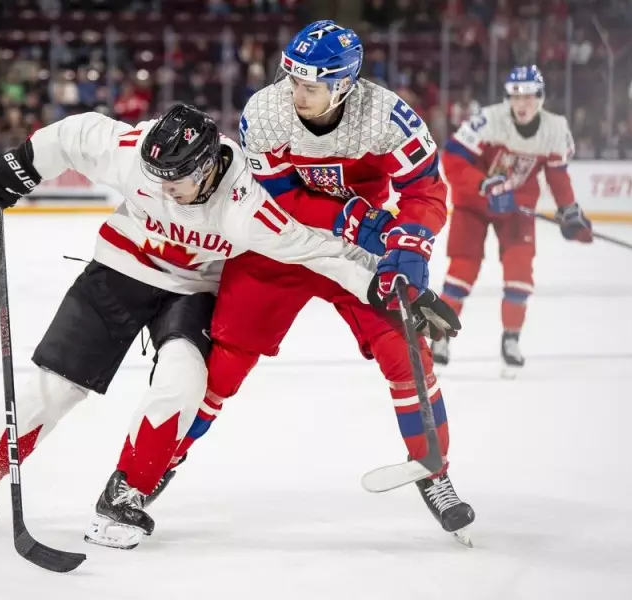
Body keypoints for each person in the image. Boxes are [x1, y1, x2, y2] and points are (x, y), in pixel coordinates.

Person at [0, 103, 391, 549]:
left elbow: (317, 251)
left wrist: (384, 285)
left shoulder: (248, 202)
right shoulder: (136, 153)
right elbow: (75, 135)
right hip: (118, 269)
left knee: (184, 381)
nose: (166, 189)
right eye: (160, 180)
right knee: (57, 386)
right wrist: (21, 164)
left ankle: (125, 493)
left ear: (209, 167)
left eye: (179, 181)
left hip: (191, 289)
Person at [159, 20, 475, 544]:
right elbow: (279, 196)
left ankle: (433, 470)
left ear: (344, 84)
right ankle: (159, 462)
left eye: (310, 86)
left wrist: (411, 246)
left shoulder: (388, 118)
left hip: (353, 252)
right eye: (292, 80)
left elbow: (425, 188)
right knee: (224, 363)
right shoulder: (265, 110)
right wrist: (358, 218)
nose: (295, 93)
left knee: (408, 351)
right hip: (279, 242)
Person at [433, 65, 593, 375]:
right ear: (507, 98)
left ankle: (511, 340)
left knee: (520, 271)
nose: (522, 104)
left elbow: (557, 176)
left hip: (516, 206)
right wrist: (482, 183)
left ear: (541, 98)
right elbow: (451, 158)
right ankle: (439, 336)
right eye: (516, 96)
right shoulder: (488, 121)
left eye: (530, 96)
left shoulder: (555, 129)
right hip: (474, 203)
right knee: (461, 270)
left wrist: (568, 208)